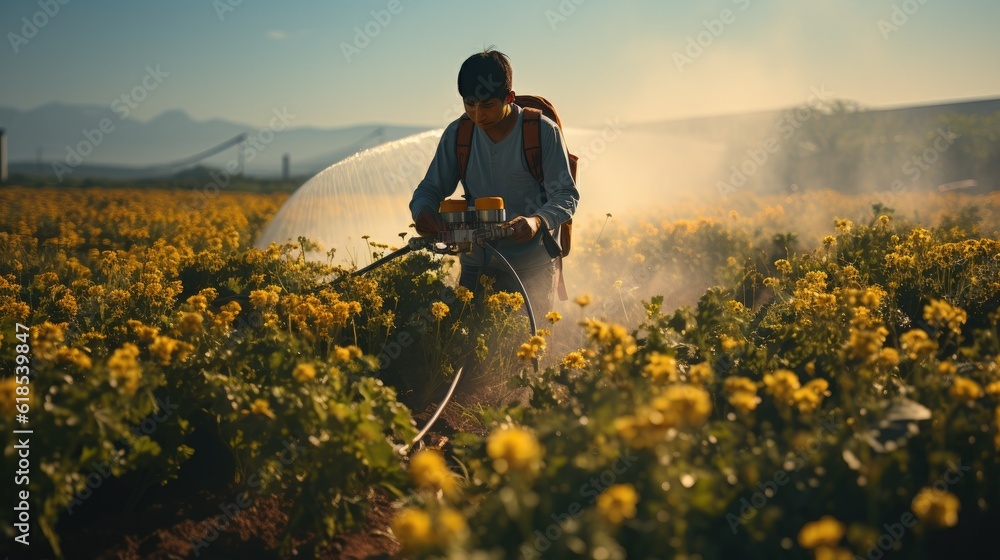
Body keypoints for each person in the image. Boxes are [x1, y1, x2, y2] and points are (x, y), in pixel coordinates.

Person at [409, 49, 579, 323]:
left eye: (487, 105)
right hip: (477, 263)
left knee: (525, 346)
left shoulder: (542, 132)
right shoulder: (458, 134)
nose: (478, 114)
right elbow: (430, 188)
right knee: (467, 343)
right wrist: (422, 212)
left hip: (531, 266)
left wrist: (536, 221)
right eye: (469, 103)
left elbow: (566, 196)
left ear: (509, 98)